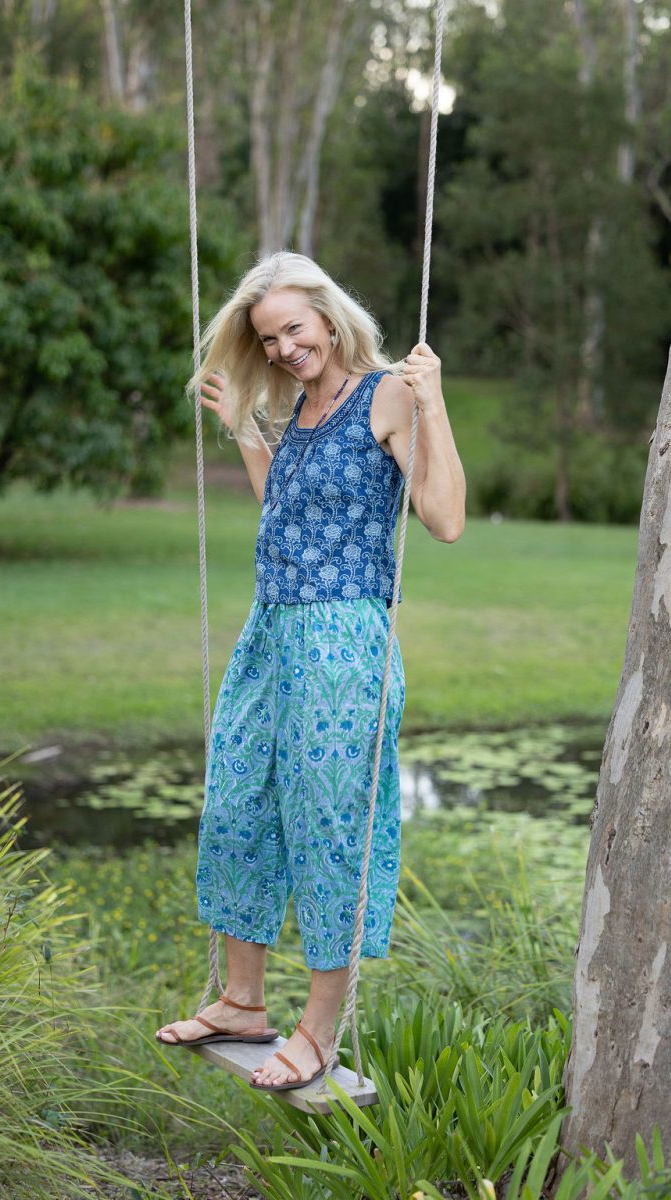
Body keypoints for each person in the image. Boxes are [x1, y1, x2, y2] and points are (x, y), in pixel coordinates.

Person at [156, 252, 465, 1091]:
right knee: (237, 801)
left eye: (295, 327)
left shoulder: (387, 394)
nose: (286, 346)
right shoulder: (300, 411)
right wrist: (248, 437)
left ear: (329, 319)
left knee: (332, 828)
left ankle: (320, 1031)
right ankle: (243, 1002)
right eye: (270, 337)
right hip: (271, 635)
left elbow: (444, 519)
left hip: (342, 643)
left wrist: (433, 405)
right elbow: (289, 510)